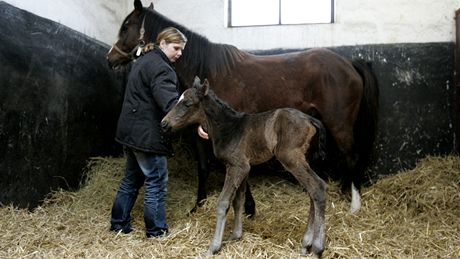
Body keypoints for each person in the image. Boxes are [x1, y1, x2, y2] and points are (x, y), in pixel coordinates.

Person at [110, 27, 187, 238]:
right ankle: (156, 231)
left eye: (182, 50)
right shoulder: (162, 68)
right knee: (156, 182)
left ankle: (118, 224)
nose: (179, 53)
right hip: (147, 135)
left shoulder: (144, 60)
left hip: (131, 132)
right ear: (162, 43)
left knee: (131, 180)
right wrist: (189, 104)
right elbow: (170, 105)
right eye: (176, 48)